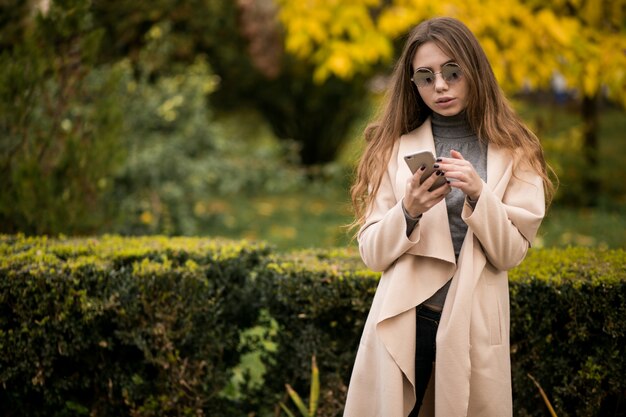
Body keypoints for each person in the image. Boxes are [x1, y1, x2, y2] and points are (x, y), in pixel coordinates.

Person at [343, 17, 555, 417]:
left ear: (474, 71)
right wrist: (409, 211)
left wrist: (479, 193)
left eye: (452, 72)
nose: (440, 86)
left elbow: (510, 254)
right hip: (405, 316)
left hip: (472, 323)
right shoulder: (393, 147)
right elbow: (372, 253)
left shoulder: (516, 149)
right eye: (425, 77)